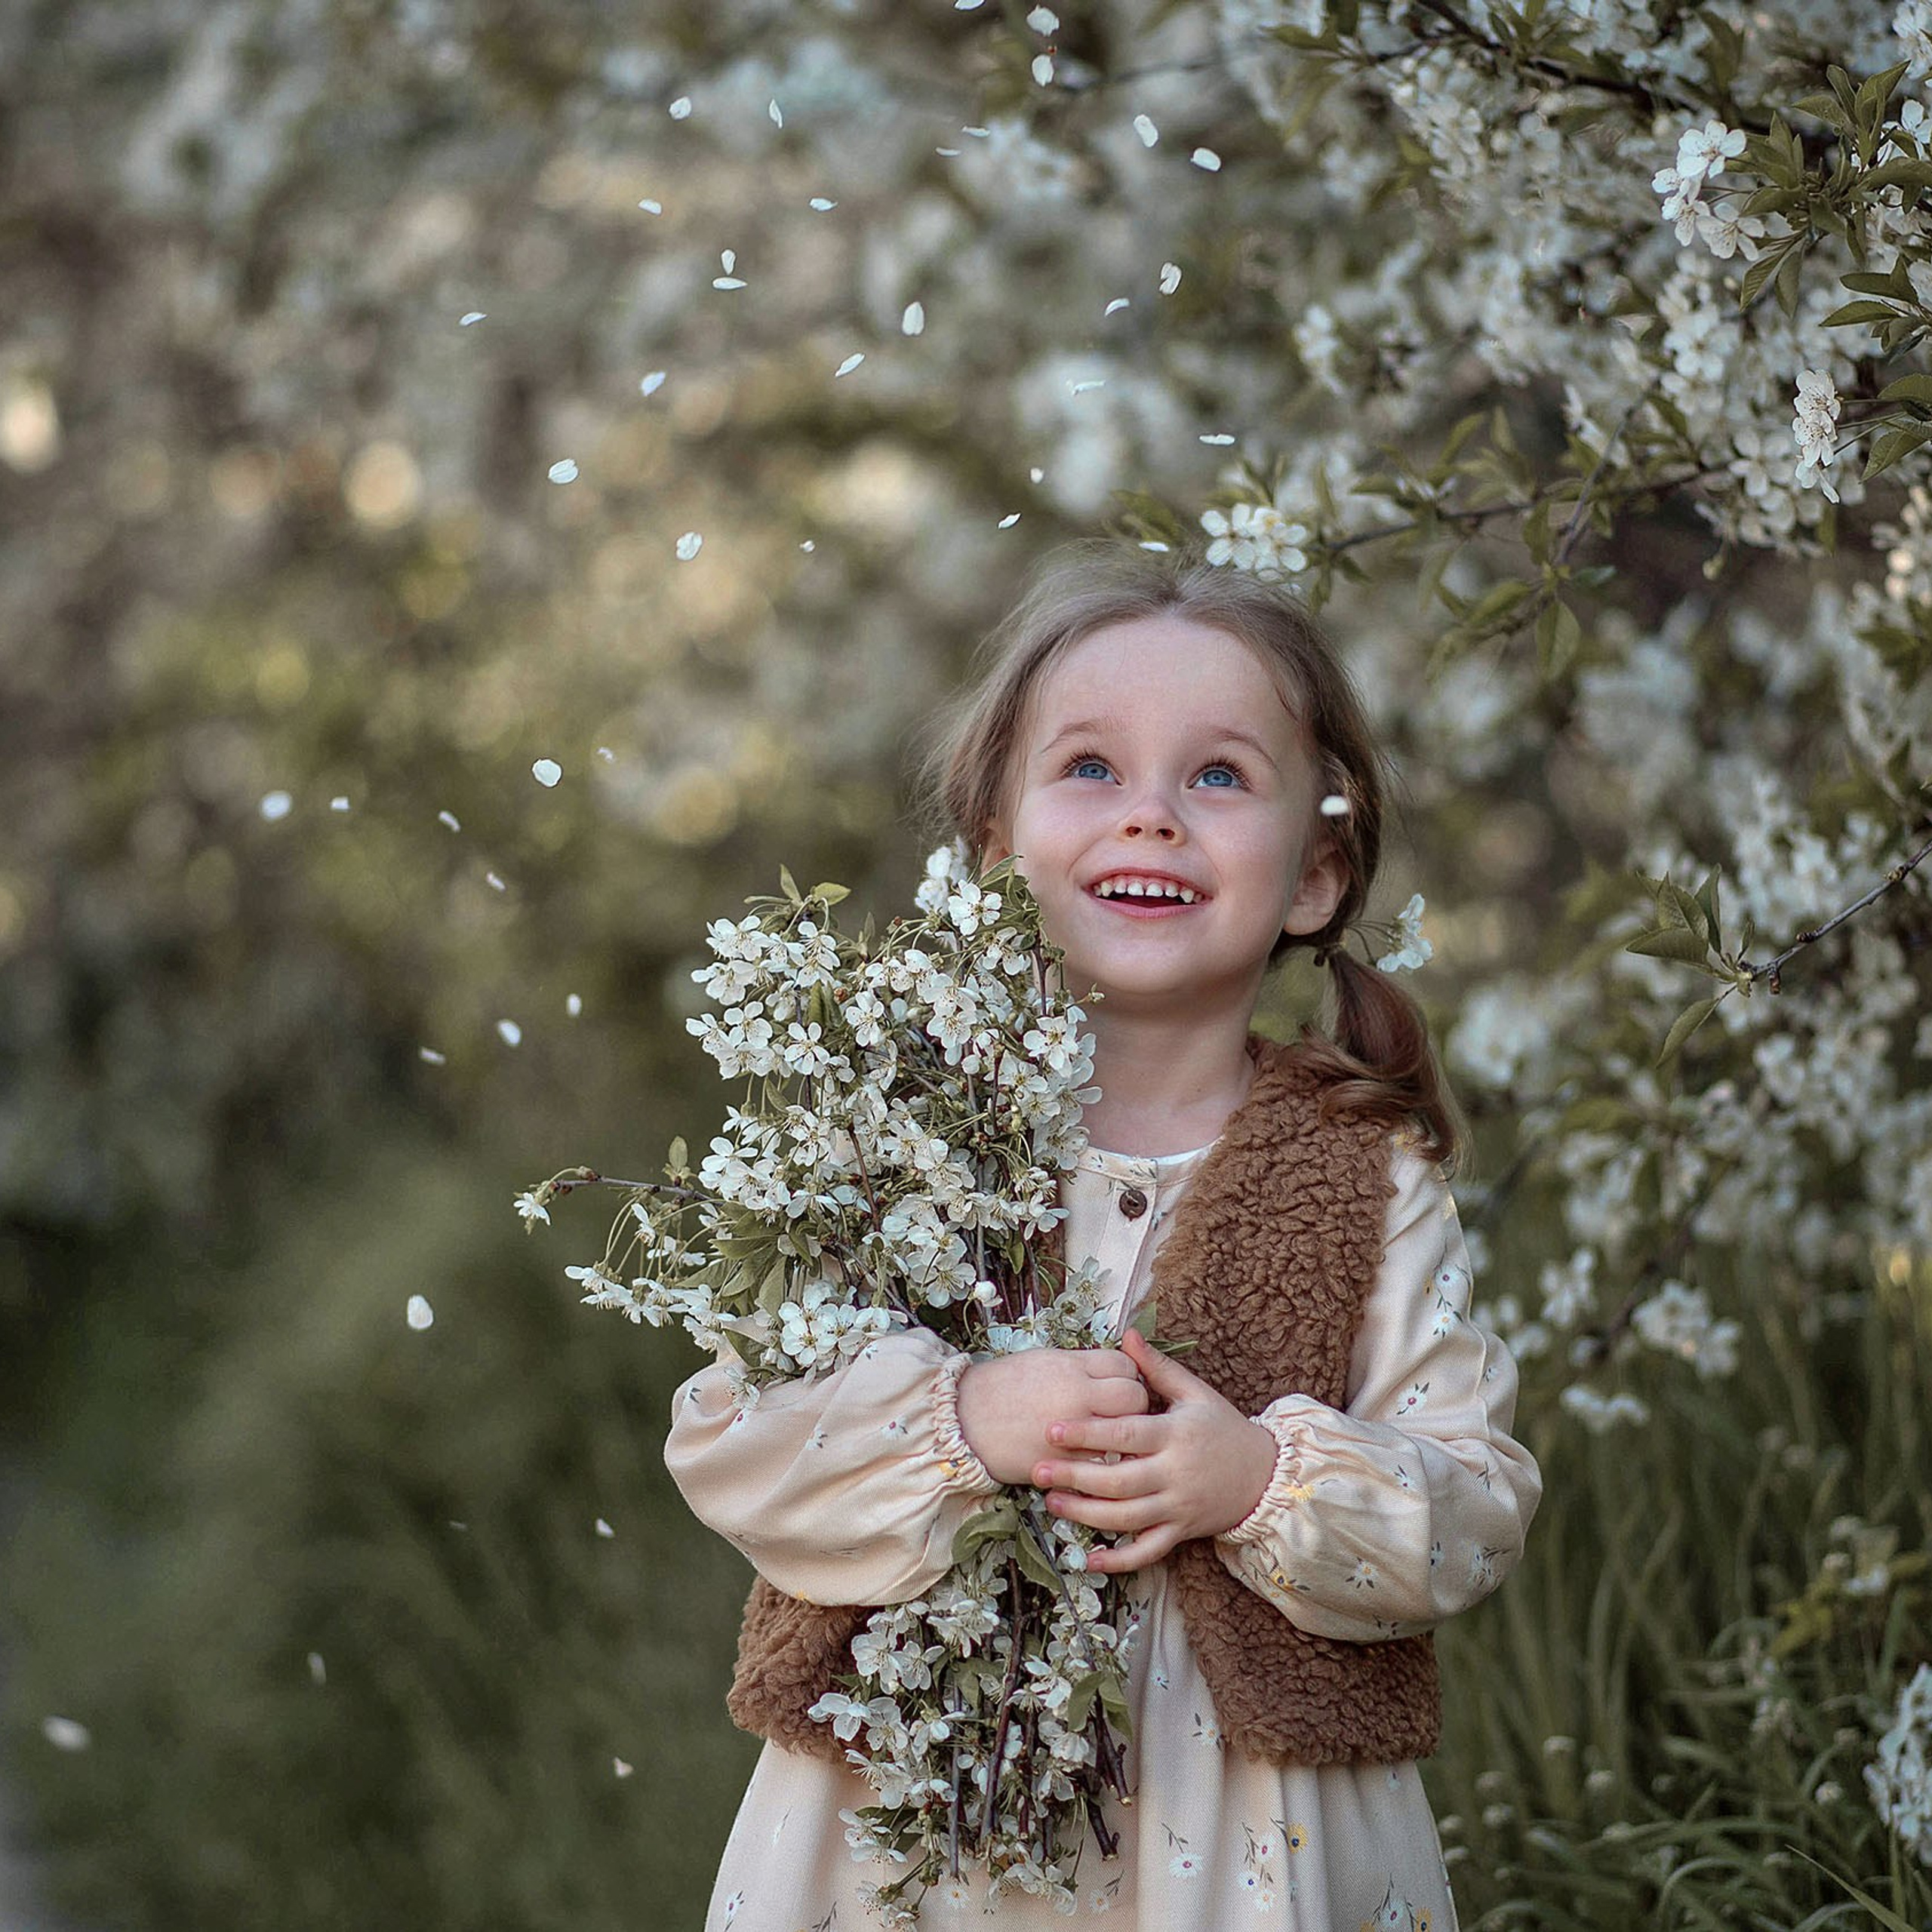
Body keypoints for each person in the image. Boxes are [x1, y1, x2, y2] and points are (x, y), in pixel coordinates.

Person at [664, 539, 1543, 1930]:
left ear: (1315, 873)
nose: (1151, 818)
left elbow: (1474, 1507)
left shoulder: (1364, 1181)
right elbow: (735, 1439)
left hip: (1253, 1848)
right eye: (1090, 769)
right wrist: (964, 1421)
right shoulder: (897, 1140)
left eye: (1218, 776)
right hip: (912, 1844)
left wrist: (1260, 1479)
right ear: (997, 845)